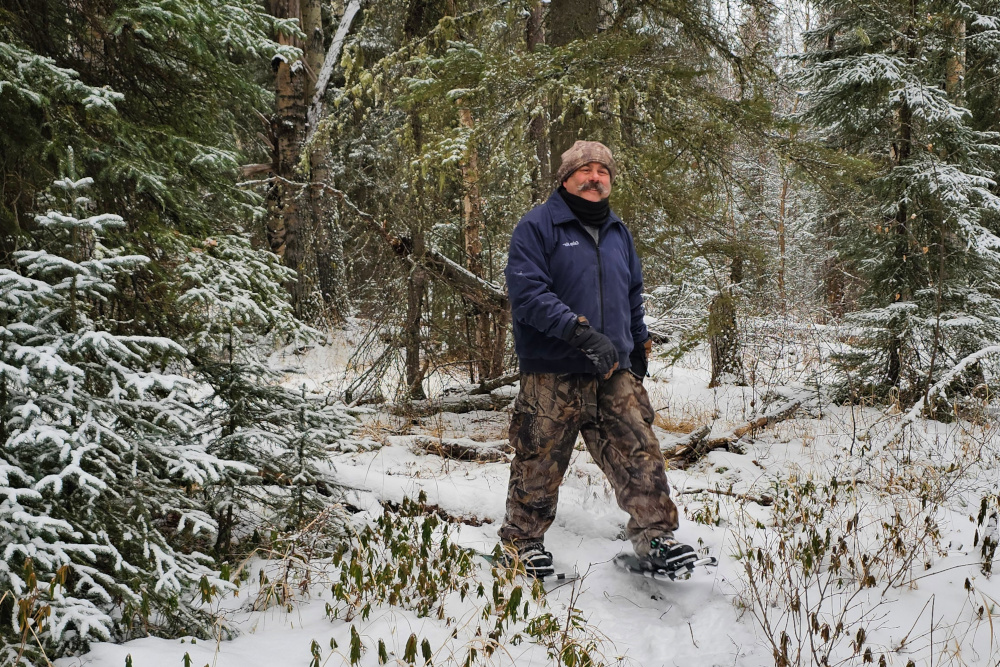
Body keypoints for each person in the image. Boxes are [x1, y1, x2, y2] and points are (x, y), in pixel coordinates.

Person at [499, 140, 696, 577]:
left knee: (639, 451)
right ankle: (522, 542)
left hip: (613, 369)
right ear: (565, 178)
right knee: (539, 457)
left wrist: (638, 345)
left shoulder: (618, 233)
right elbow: (528, 295)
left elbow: (632, 296)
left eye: (602, 171)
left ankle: (656, 538)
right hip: (554, 369)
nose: (595, 178)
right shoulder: (537, 227)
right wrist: (579, 332)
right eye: (584, 170)